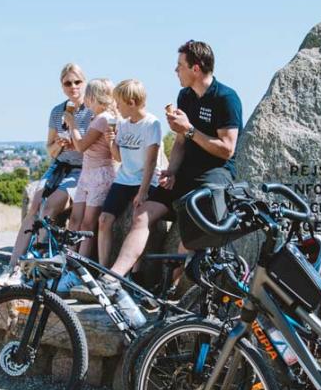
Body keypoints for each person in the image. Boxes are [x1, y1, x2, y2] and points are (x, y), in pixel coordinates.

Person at [103, 41, 242, 287]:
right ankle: (113, 277)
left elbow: (227, 150)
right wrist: (172, 170)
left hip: (213, 176)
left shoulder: (225, 98)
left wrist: (190, 130)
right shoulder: (185, 96)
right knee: (142, 214)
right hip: (184, 174)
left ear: (196, 68)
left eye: (180, 65)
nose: (175, 70)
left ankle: (169, 292)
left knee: (190, 236)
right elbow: (179, 142)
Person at [0, 63, 93, 286]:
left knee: (48, 209)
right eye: (68, 83)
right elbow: (50, 148)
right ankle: (14, 265)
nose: (73, 87)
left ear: (85, 83)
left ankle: (32, 266)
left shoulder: (92, 111)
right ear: (62, 86)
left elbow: (93, 148)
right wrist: (59, 144)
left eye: (77, 82)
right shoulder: (57, 112)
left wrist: (74, 142)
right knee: (35, 207)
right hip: (60, 164)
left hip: (82, 169)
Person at [97, 79, 164, 270]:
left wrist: (143, 191)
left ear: (131, 103)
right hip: (124, 179)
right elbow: (119, 158)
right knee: (104, 220)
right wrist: (111, 142)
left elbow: (151, 161)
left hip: (145, 180)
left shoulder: (152, 124)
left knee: (137, 223)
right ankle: (103, 269)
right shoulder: (123, 124)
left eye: (119, 103)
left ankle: (134, 273)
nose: (116, 107)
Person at [64, 78, 119, 258]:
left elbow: (82, 146)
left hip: (99, 175)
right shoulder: (100, 117)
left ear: (93, 97)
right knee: (75, 219)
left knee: (87, 224)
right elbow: (90, 145)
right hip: (88, 173)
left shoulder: (103, 118)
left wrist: (72, 123)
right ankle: (69, 258)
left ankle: (80, 263)